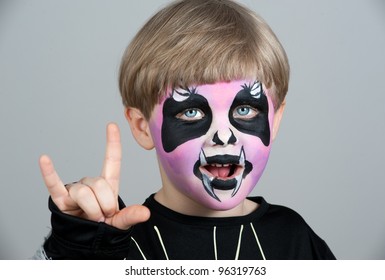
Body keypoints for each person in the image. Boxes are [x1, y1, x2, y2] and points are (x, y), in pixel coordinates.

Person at [34, 0, 335, 260]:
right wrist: (72, 253)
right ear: (142, 128)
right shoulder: (115, 245)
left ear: (274, 120)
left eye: (245, 109)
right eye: (191, 111)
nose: (223, 134)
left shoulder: (295, 239)